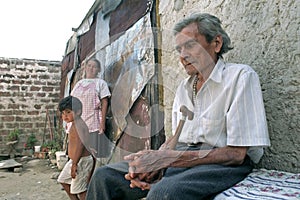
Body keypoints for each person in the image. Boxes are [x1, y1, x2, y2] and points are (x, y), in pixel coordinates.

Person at [86, 13, 270, 200]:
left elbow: (236, 154)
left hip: (222, 164)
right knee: (104, 177)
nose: (183, 56)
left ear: (216, 43)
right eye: (179, 49)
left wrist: (168, 159)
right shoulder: (185, 87)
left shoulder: (240, 77)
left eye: (190, 45)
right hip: (184, 159)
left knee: (163, 193)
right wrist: (155, 163)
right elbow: (176, 140)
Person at [71, 57, 111, 159]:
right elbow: (72, 101)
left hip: (94, 122)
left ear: (98, 70)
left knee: (92, 153)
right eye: (89, 66)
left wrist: (102, 124)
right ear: (85, 68)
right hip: (79, 122)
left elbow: (105, 102)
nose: (91, 68)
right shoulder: (79, 84)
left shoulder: (101, 83)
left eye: (94, 67)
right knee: (78, 151)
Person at [57, 96, 95, 200]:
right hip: (75, 160)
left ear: (78, 112)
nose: (65, 116)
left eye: (68, 112)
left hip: (81, 162)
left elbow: (80, 144)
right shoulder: (74, 123)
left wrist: (74, 164)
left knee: (80, 190)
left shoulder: (79, 124)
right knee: (63, 180)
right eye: (63, 113)